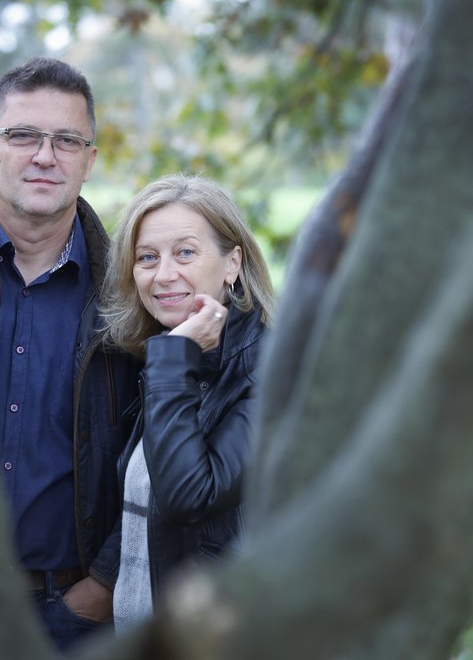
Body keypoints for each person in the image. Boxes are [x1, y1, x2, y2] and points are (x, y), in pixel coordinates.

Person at [0, 57, 139, 652]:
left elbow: (167, 447)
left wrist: (105, 581)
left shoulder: (134, 293)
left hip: (73, 616)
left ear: (89, 160)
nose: (45, 155)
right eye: (23, 135)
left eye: (67, 140)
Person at [99, 173, 275, 630]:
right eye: (147, 258)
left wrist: (174, 360)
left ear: (232, 263)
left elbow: (187, 495)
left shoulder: (270, 372)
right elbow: (142, 503)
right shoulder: (166, 357)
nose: (163, 275)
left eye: (186, 252)